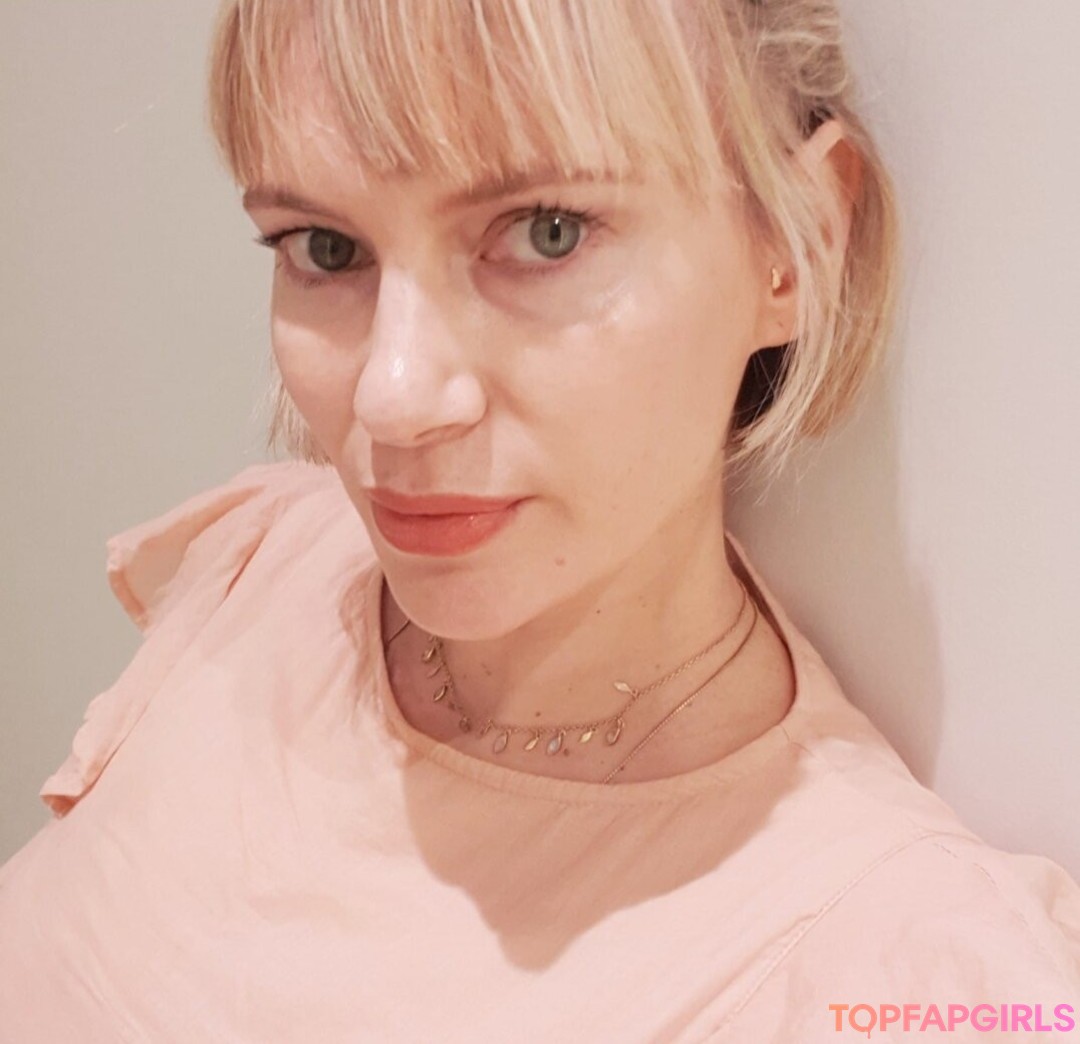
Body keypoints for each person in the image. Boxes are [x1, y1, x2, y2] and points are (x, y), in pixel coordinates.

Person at [1, 0, 1077, 1040]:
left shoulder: (893, 969)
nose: (392, 396)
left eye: (545, 233)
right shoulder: (277, 558)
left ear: (796, 246)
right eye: (325, 248)